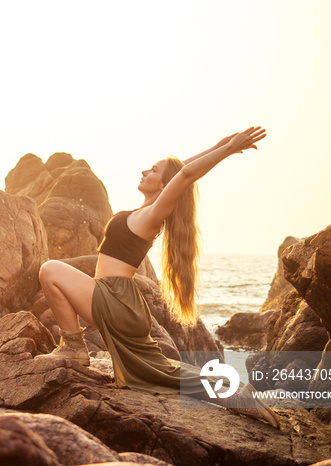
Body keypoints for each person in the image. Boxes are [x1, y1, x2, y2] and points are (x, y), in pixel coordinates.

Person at [36, 126, 279, 428]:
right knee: (158, 369)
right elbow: (181, 171)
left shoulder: (151, 216)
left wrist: (226, 152)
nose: (144, 171)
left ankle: (73, 346)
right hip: (118, 302)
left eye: (152, 170)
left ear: (163, 184)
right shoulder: (144, 210)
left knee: (50, 270)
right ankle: (232, 393)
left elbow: (185, 175)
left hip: (116, 300)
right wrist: (219, 145)